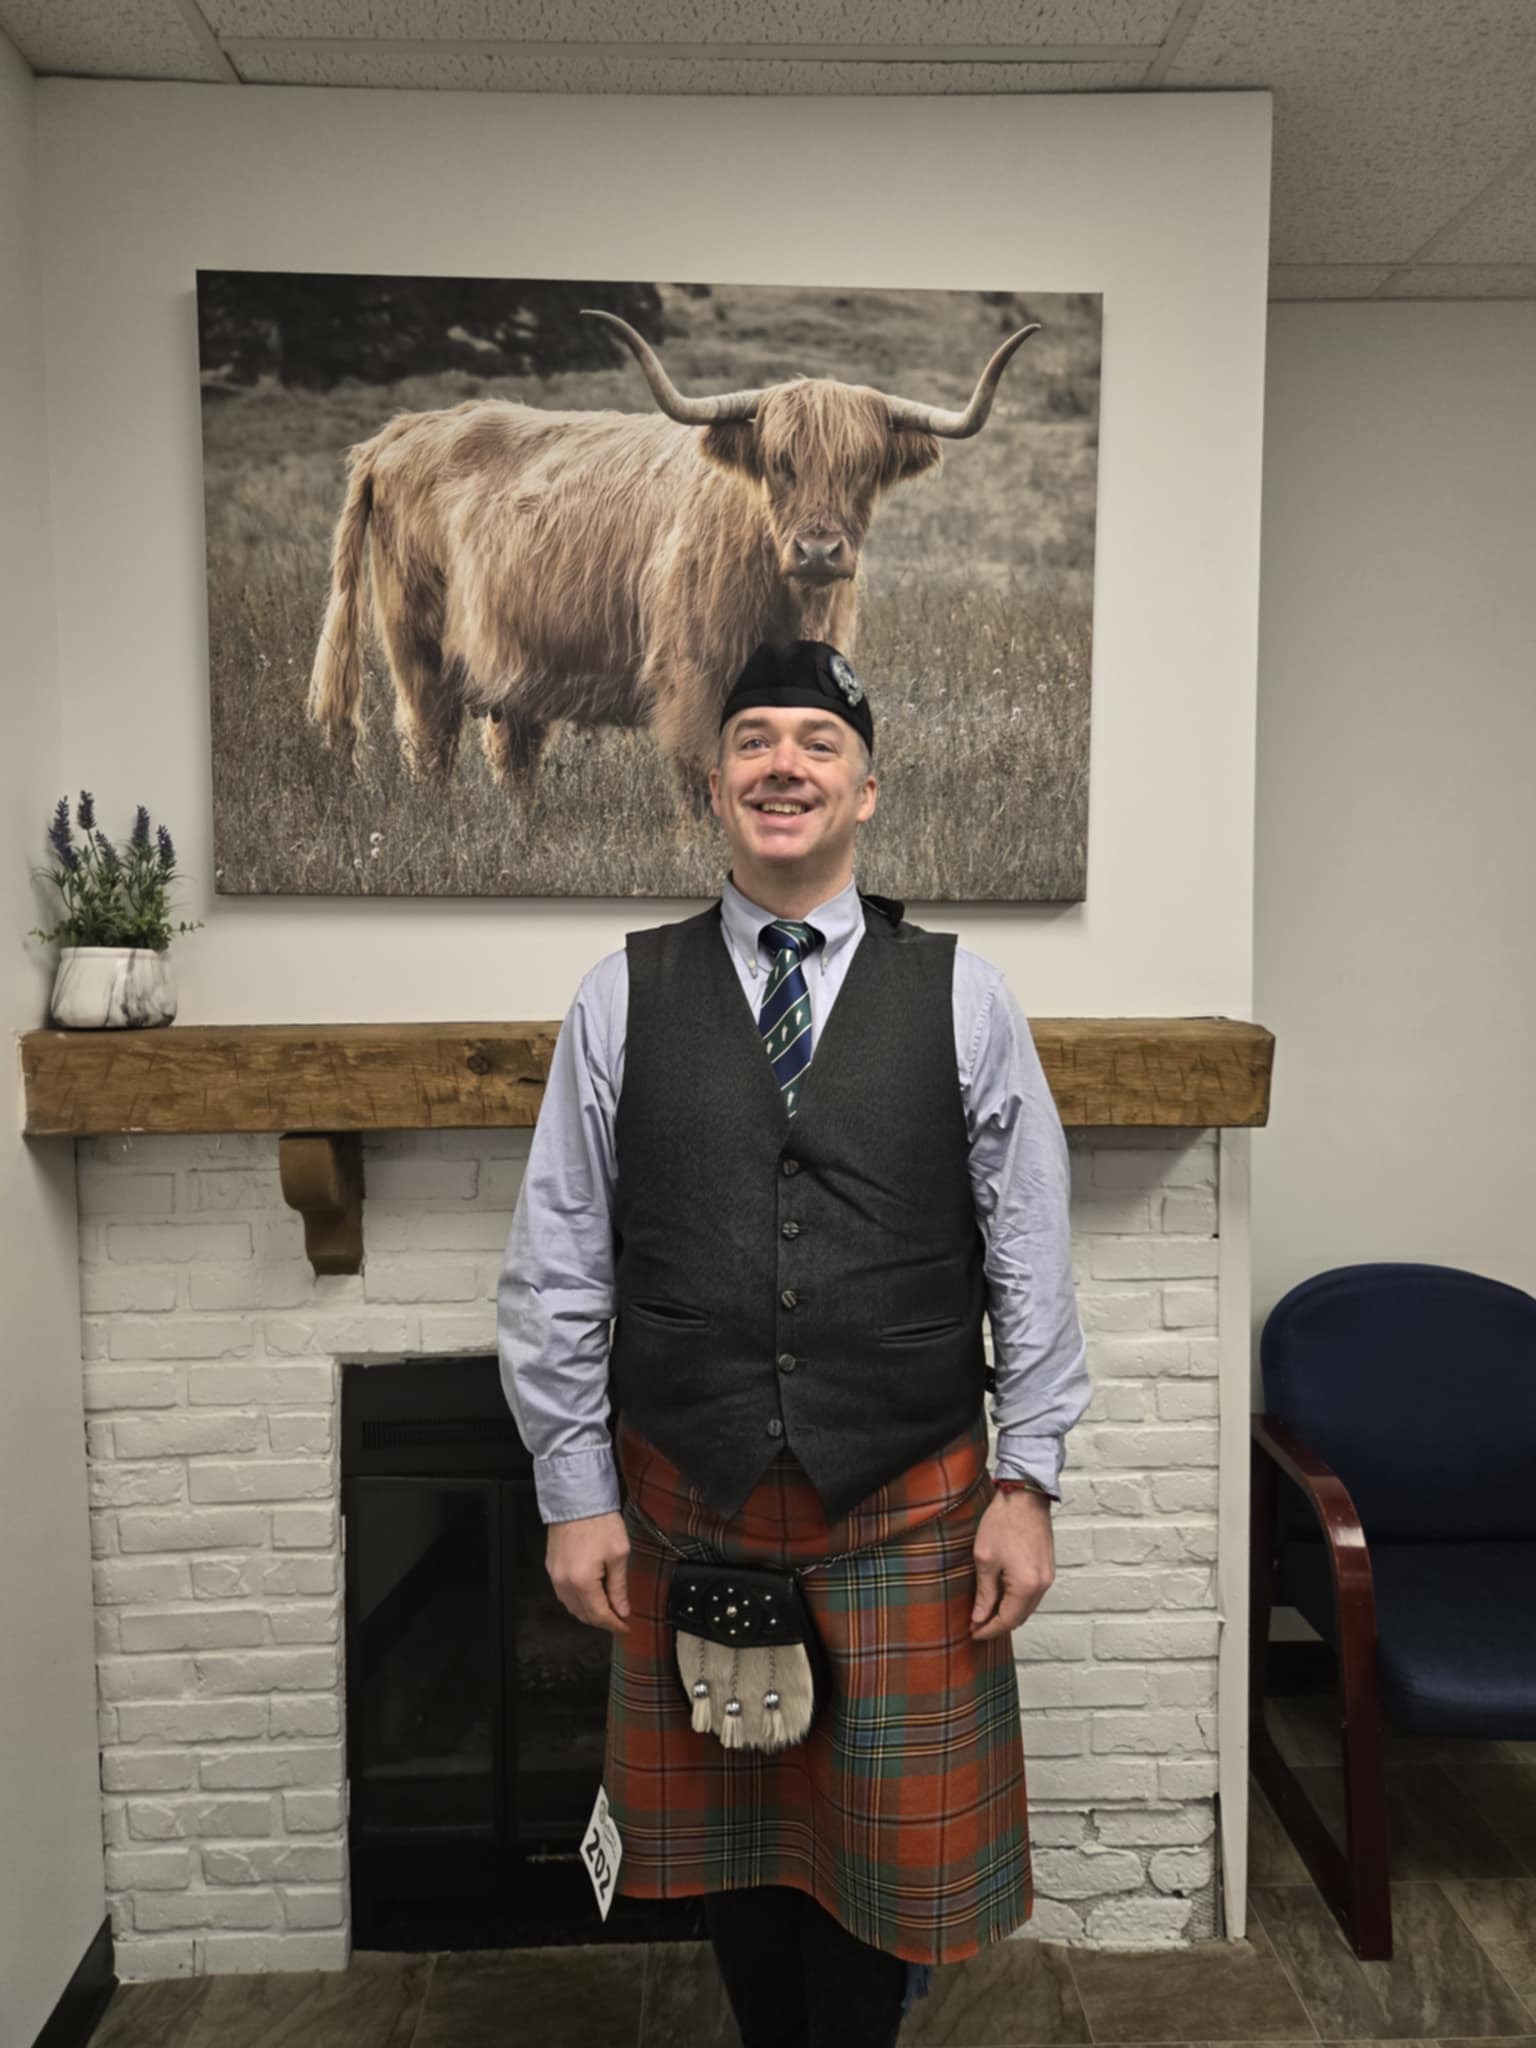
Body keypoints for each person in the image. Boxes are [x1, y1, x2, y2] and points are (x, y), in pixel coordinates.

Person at [498, 639, 1090, 2048]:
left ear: (865, 791)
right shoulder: (619, 995)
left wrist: (1032, 1481)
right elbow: (559, 1257)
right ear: (714, 785)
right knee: (737, 1852)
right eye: (754, 739)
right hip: (687, 1502)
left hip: (909, 1508)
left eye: (816, 744)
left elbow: (1032, 1252)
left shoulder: (965, 994)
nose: (784, 764)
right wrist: (573, 1490)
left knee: (884, 1863)